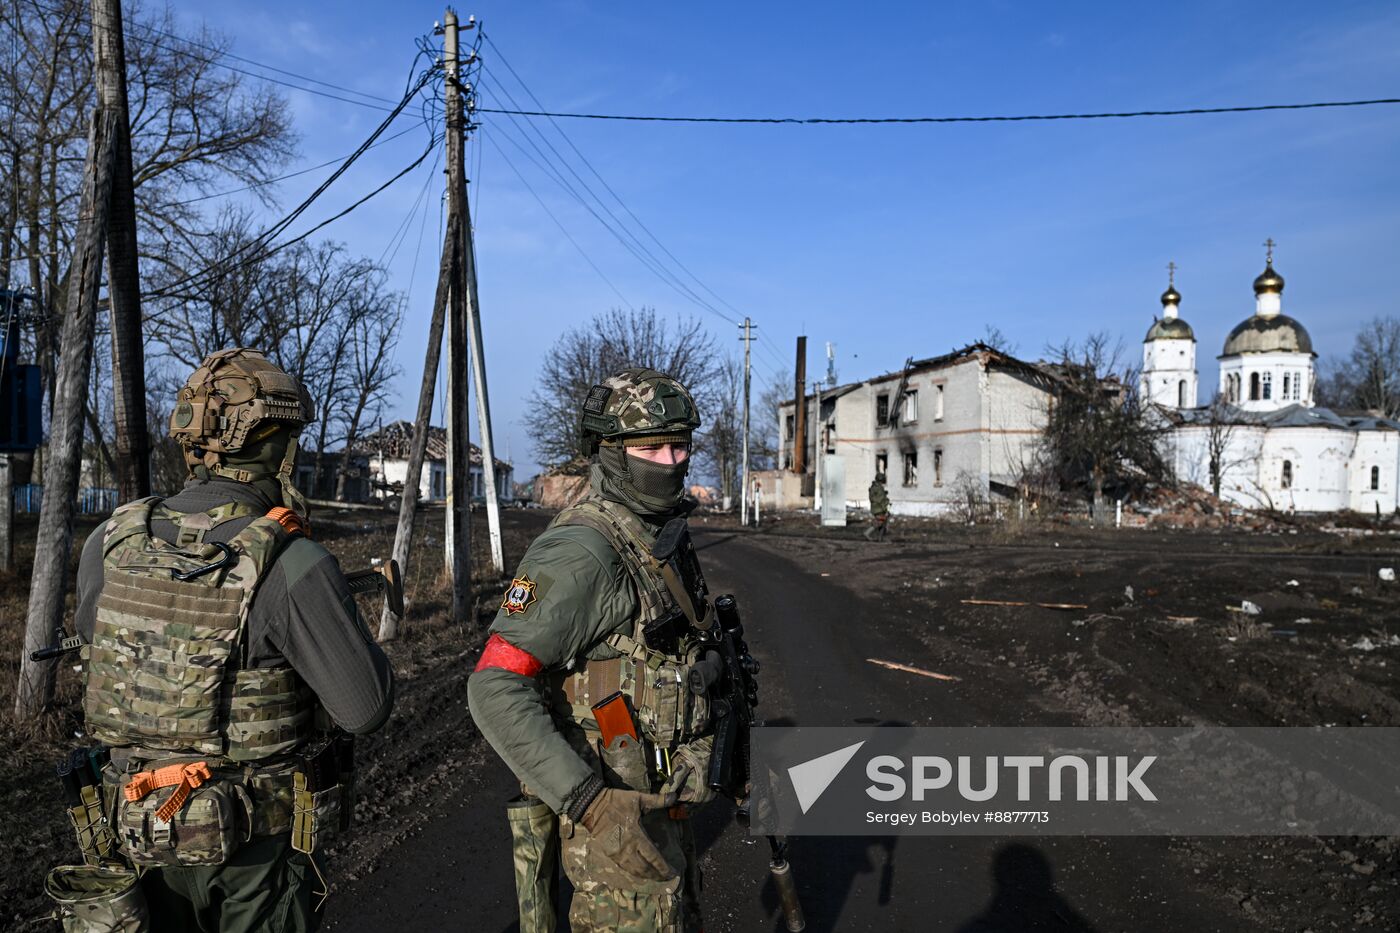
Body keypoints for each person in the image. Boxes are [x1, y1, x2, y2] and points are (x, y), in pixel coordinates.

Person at [72, 347, 394, 933]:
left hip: (132, 839)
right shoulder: (295, 562)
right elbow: (364, 709)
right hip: (254, 858)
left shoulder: (108, 541)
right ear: (276, 445)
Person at [469, 367, 726, 933]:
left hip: (657, 814)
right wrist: (589, 802)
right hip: (614, 832)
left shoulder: (652, 531)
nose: (671, 462)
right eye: (650, 447)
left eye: (680, 445)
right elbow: (493, 684)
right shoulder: (584, 550)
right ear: (608, 451)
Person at [866, 471, 891, 541]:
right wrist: (886, 508)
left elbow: (875, 497)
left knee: (882, 523)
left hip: (875, 508)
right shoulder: (879, 488)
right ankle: (867, 533)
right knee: (880, 522)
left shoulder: (874, 487)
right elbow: (881, 500)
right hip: (879, 508)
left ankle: (880, 538)